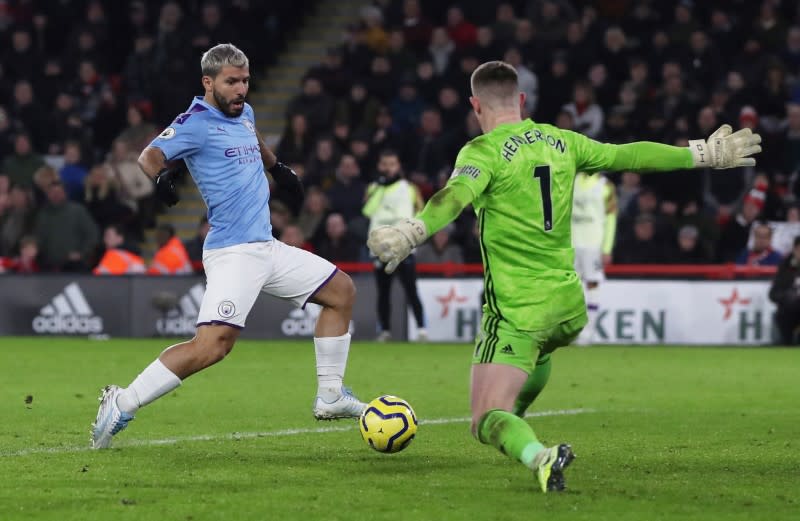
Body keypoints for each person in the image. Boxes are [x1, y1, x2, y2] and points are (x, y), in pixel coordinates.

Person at [367, 61, 761, 493]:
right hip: (568, 306)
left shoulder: (482, 151)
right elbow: (628, 154)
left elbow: (453, 197)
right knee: (538, 354)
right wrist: (700, 153)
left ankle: (540, 456)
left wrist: (413, 230)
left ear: (474, 105)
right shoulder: (562, 140)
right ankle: (520, 418)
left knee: (483, 421)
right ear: (521, 101)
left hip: (520, 310)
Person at [91, 43, 365, 449]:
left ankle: (329, 394)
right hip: (233, 251)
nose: (241, 90)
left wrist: (278, 169)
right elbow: (149, 155)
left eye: (246, 81)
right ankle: (122, 401)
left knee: (341, 291)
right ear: (209, 82)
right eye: (232, 82)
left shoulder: (245, 112)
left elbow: (254, 139)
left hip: (266, 247)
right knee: (212, 347)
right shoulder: (194, 121)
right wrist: (161, 178)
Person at [363, 149, 427, 342]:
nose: (388, 168)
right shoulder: (373, 188)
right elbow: (367, 211)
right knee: (383, 292)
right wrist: (380, 188)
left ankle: (422, 329)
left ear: (398, 166)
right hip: (380, 248)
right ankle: (385, 331)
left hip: (404, 247)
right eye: (385, 164)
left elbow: (421, 213)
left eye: (392, 164)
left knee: (411, 290)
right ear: (379, 166)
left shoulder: (410, 188)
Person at [571, 171, 617, 345]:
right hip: (571, 242)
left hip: (593, 244)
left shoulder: (606, 186)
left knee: (592, 285)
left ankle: (588, 333)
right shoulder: (571, 180)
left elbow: (611, 218)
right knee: (570, 288)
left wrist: (606, 248)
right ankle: (569, 331)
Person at [769, 236, 800, 345]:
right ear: (795, 250)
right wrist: (787, 297)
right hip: (788, 312)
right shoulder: (785, 267)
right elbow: (773, 294)